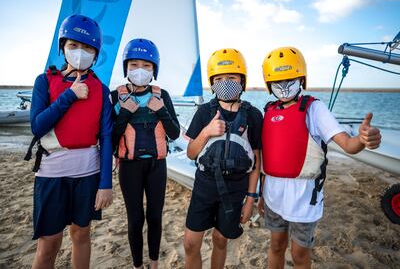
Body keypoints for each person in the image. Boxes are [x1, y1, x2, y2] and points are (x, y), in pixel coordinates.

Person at [258, 46, 382, 269]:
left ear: (301, 78)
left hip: (304, 197)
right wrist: (261, 193)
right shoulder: (268, 111)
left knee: (299, 254)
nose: (284, 86)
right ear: (269, 84)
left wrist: (363, 140)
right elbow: (266, 158)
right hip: (273, 194)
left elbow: (348, 144)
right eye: (278, 81)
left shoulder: (315, 110)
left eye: (290, 79)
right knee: (276, 245)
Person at [27, 14, 113, 269]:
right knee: (49, 243)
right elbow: (38, 126)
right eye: (74, 45)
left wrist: (105, 183)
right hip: (51, 174)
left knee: (81, 234)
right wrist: (70, 95)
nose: (80, 52)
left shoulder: (101, 88)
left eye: (87, 47)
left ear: (95, 53)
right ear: (62, 47)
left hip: (87, 173)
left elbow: (107, 136)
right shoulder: (44, 81)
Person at [183, 48, 263, 269]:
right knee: (190, 243)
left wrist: (250, 199)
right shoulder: (204, 112)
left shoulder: (254, 115)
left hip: (235, 187)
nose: (225, 82)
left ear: (242, 80)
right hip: (205, 186)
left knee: (220, 240)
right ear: (212, 82)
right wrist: (207, 131)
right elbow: (191, 152)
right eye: (219, 78)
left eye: (231, 77)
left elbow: (256, 160)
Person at [111, 38, 180, 269]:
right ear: (126, 67)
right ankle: (137, 265)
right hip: (129, 167)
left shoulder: (163, 95)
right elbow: (110, 140)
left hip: (156, 166)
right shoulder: (115, 96)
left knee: (154, 217)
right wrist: (124, 114)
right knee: (135, 218)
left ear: (154, 69)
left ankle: (154, 263)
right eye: (134, 65)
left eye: (146, 65)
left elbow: (175, 132)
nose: (140, 70)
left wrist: (160, 110)